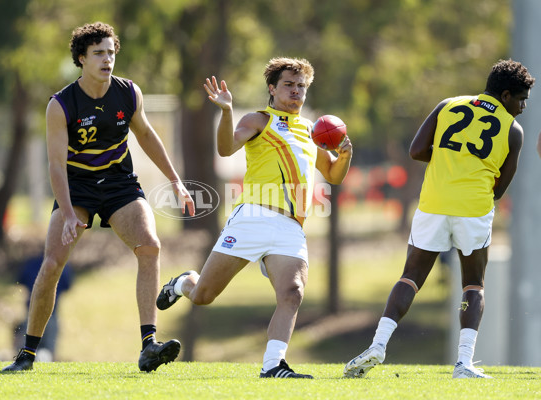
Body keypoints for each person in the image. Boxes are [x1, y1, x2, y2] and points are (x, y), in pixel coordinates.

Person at [2, 22, 195, 372]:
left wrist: (175, 181)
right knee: (52, 264)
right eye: (99, 54)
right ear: (81, 59)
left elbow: (148, 136)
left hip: (119, 184)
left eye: (111, 52)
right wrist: (68, 212)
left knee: (150, 245)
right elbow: (57, 166)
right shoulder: (61, 105)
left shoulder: (128, 93)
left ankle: (149, 345)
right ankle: (27, 354)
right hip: (76, 188)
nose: (107, 59)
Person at [156, 57, 353, 378]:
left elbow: (332, 175)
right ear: (272, 89)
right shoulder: (259, 119)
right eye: (289, 85)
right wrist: (225, 111)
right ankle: (183, 283)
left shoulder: (310, 130)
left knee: (293, 292)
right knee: (204, 296)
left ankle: (273, 365)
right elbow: (225, 149)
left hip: (292, 225)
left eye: (301, 86)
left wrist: (345, 156)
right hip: (253, 218)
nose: (296, 91)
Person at [343, 59, 535, 379]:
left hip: (433, 204)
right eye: (521, 98)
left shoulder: (448, 104)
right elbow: (499, 190)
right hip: (473, 209)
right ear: (504, 95)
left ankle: (378, 345)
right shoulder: (513, 131)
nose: (524, 105)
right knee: (473, 284)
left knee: (410, 277)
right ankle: (463, 363)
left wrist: (450, 159)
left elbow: (417, 151)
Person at [13, 253, 73, 361]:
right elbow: (67, 285)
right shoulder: (62, 266)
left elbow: (20, 281)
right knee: (49, 351)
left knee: (28, 350)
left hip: (32, 316)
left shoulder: (31, 264)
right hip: (51, 315)